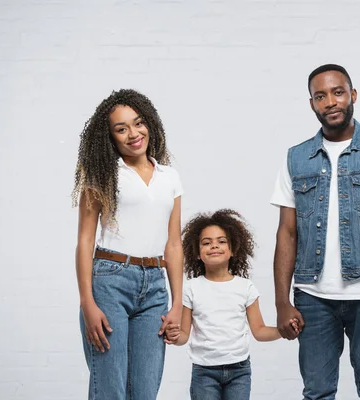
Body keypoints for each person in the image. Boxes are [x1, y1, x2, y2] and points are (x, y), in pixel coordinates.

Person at [271, 64, 360, 400]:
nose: (330, 102)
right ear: (312, 104)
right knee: (317, 392)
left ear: (352, 95)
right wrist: (282, 300)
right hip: (313, 297)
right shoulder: (297, 158)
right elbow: (287, 233)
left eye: (338, 92)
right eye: (320, 96)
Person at [72, 89, 184, 399]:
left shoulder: (170, 177)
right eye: (121, 128)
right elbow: (84, 241)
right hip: (110, 282)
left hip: (155, 289)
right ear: (110, 137)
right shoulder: (103, 175)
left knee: (145, 392)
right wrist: (87, 302)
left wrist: (177, 304)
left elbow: (174, 244)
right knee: (111, 390)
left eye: (138, 124)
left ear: (150, 124)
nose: (133, 134)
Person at [164, 209, 295, 400]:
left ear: (233, 250)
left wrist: (284, 330)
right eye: (206, 243)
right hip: (204, 372)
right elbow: (184, 335)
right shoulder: (191, 288)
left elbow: (259, 331)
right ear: (197, 253)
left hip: (239, 371)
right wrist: (175, 336)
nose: (214, 246)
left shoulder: (245, 288)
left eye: (221, 241)